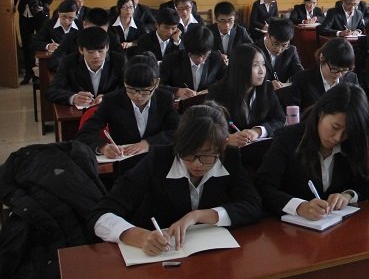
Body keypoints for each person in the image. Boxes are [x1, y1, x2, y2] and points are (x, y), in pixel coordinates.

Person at [89, 104, 262, 256]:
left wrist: (197, 216)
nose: (197, 164)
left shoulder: (230, 158)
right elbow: (100, 215)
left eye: (207, 156)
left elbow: (253, 206)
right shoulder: (158, 160)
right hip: (160, 258)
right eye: (188, 153)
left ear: (223, 146)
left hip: (212, 256)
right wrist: (140, 237)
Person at [255, 83, 369, 219]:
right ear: (321, 113)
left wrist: (349, 195)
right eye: (335, 127)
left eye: (347, 132)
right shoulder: (288, 139)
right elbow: (263, 187)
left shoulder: (352, 143)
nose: (338, 137)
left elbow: (364, 182)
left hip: (338, 226)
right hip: (289, 227)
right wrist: (299, 207)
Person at [76, 53, 179, 158]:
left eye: (145, 91)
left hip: (157, 158)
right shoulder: (111, 101)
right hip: (125, 161)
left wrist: (148, 143)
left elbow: (178, 131)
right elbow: (85, 133)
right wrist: (103, 147)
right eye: (131, 90)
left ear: (156, 83)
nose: (138, 96)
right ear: (125, 83)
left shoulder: (165, 98)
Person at [207, 44, 285, 147]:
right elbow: (208, 128)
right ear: (240, 68)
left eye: (263, 64)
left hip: (259, 149)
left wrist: (258, 131)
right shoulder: (217, 92)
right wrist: (226, 139)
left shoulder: (267, 88)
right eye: (255, 65)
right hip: (230, 151)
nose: (262, 71)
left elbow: (279, 119)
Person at [47, 27, 125, 107]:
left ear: (107, 47)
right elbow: (52, 91)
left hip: (110, 110)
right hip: (78, 112)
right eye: (90, 52)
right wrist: (74, 98)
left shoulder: (119, 61)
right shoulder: (68, 62)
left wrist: (107, 98)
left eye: (100, 51)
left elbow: (127, 89)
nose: (96, 56)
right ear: (81, 50)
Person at [13, 0, 55, 84]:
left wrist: (43, 6)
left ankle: (41, 72)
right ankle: (28, 73)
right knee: (26, 43)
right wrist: (12, 6)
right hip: (24, 14)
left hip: (39, 16)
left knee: (41, 42)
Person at [289, 38, 359, 113]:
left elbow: (358, 108)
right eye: (334, 69)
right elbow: (293, 113)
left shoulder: (352, 78)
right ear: (322, 58)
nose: (339, 74)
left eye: (344, 70)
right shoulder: (302, 79)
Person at [47, 7, 124, 72]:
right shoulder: (70, 38)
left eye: (102, 32)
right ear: (84, 24)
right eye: (92, 30)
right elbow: (53, 63)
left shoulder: (112, 38)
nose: (97, 36)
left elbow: (122, 63)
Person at [159, 26, 226, 100]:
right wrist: (176, 91)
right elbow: (158, 85)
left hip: (207, 103)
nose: (200, 60)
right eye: (196, 55)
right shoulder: (171, 59)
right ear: (188, 51)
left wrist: (210, 91)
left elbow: (227, 80)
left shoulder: (216, 58)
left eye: (205, 55)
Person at [255, 18, 303, 90]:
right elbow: (247, 78)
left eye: (284, 45)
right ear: (267, 35)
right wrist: (268, 84)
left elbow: (300, 73)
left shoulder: (291, 50)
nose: (279, 49)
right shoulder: (253, 50)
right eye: (276, 43)